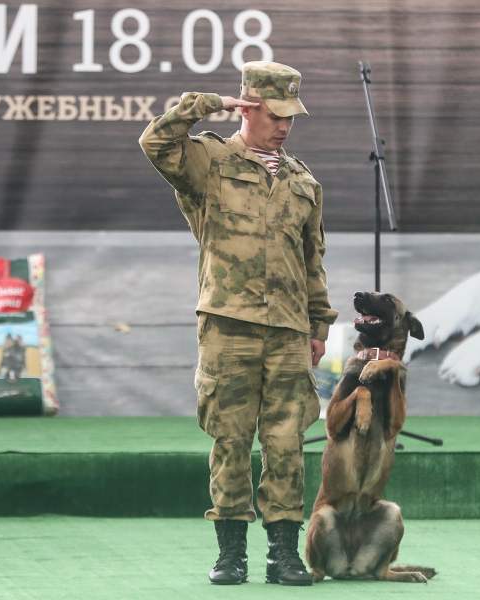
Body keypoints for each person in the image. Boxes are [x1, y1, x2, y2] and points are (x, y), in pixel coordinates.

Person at [138, 61, 338, 586]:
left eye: (290, 117)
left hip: (289, 330)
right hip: (229, 326)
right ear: (248, 108)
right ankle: (231, 554)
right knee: (230, 439)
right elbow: (155, 143)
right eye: (275, 115)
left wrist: (319, 326)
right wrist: (207, 104)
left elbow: (312, 261)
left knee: (286, 442)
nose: (284, 126)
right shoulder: (210, 162)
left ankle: (283, 553)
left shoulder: (303, 181)